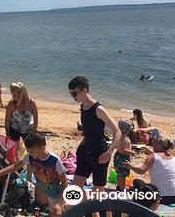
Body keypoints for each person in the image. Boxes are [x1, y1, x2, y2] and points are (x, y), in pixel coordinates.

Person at [0, 131, 67, 217]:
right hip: (47, 192)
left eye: (32, 151)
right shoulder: (31, 156)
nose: (29, 153)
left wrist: (59, 203)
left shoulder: (55, 161)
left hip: (59, 195)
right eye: (28, 150)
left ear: (42, 147)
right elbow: (15, 167)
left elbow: (64, 183)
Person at [68, 76, 120, 205]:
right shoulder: (83, 107)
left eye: (74, 93)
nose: (73, 96)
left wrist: (109, 153)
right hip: (84, 152)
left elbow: (117, 131)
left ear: (84, 91)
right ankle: (87, 212)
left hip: (99, 155)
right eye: (71, 93)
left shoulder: (98, 109)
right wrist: (80, 147)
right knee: (75, 188)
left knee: (98, 194)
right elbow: (88, 132)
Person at [123, 136, 175, 205]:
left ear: (158, 145)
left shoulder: (153, 157)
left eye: (153, 144)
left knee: (136, 183)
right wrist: (147, 151)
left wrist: (129, 166)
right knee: (139, 182)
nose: (152, 146)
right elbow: (159, 158)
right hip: (173, 197)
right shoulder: (172, 158)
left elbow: (141, 171)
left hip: (158, 198)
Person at [113, 118, 135, 191]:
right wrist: (131, 152)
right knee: (123, 175)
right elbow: (124, 150)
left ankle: (119, 186)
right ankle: (121, 188)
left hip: (118, 155)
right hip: (123, 157)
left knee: (119, 173)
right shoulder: (125, 138)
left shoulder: (118, 135)